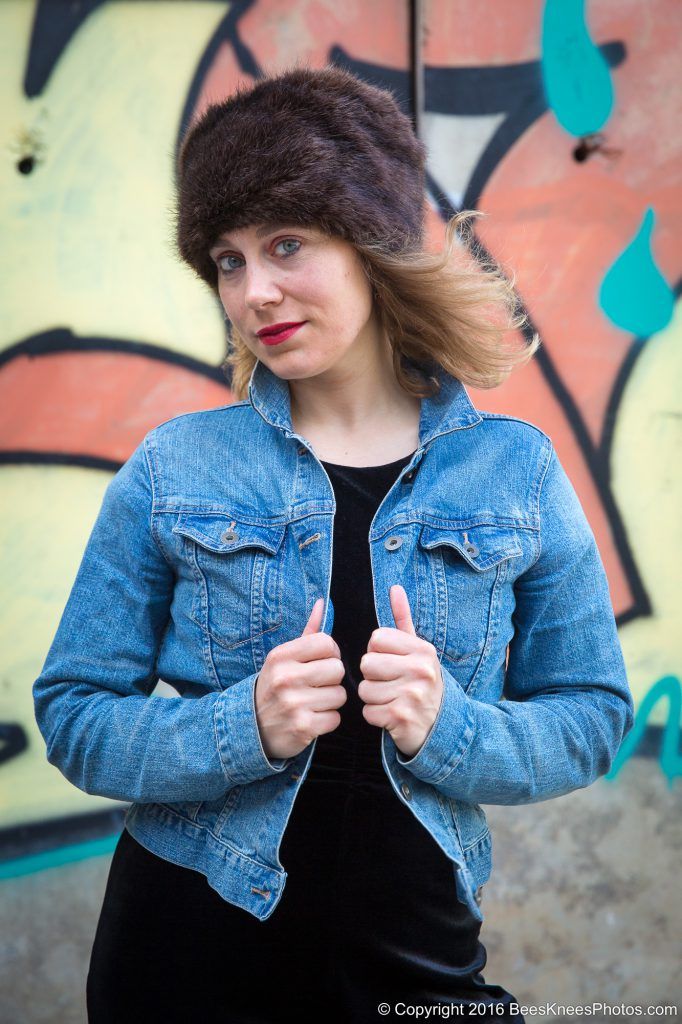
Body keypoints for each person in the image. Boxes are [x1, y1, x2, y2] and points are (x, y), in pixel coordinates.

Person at [33, 65, 634, 1023]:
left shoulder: (513, 473)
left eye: (286, 244)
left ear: (371, 245)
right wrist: (243, 726)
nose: (254, 290)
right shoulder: (175, 467)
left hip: (418, 965)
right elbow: (72, 712)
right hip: (186, 961)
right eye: (227, 260)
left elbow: (592, 715)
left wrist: (453, 728)